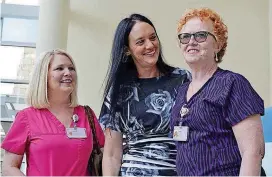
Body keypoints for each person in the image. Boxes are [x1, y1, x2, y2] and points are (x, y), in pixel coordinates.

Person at [171, 8, 265, 176]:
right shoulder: (182, 90)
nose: (191, 41)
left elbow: (253, 152)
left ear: (218, 44)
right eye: (185, 37)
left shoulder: (233, 83)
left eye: (200, 35)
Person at [99, 13, 190, 176]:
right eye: (141, 42)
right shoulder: (119, 90)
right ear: (127, 50)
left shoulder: (183, 79)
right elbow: (112, 154)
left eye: (153, 37)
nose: (150, 45)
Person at [1, 49, 105, 176]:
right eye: (60, 68)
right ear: (44, 75)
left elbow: (107, 157)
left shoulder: (87, 115)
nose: (68, 73)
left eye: (71, 68)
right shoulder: (26, 117)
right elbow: (9, 167)